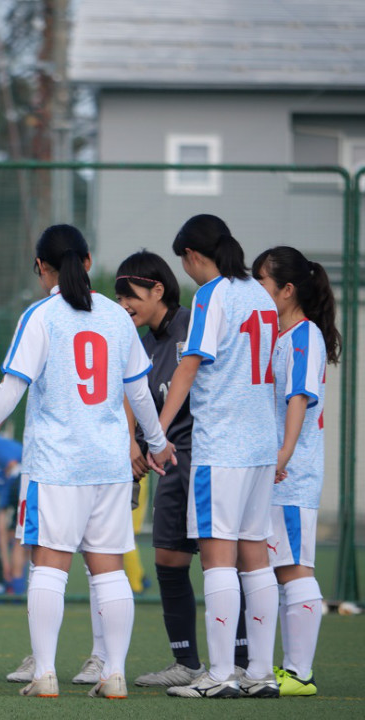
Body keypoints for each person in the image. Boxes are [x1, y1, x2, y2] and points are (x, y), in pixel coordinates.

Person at [0, 224, 175, 701]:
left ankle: (45, 674)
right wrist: (156, 442)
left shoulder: (41, 316)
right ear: (88, 261)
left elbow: (12, 389)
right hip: (108, 464)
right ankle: (114, 675)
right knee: (109, 570)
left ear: (40, 267)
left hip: (55, 464)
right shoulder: (116, 317)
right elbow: (138, 391)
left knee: (49, 566)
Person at [160, 214, 280, 699]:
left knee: (216, 558)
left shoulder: (211, 294)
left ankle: (220, 674)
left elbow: (189, 366)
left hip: (222, 446)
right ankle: (261, 674)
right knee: (255, 559)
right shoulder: (260, 294)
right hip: (260, 445)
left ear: (192, 255)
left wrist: (157, 429)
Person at [114, 250, 247, 687]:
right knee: (169, 558)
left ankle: (240, 661)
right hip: (169, 460)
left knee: (221, 560)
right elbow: (131, 398)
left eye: (130, 295)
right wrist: (138, 444)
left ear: (157, 289)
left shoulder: (194, 323)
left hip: (209, 454)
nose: (123, 305)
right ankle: (186, 663)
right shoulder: (139, 342)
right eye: (117, 297)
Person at [253, 246, 341, 697]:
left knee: (293, 568)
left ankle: (299, 674)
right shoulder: (283, 336)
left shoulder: (305, 336)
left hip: (291, 474)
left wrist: (283, 455)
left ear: (287, 290)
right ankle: (279, 668)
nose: (256, 291)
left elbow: (299, 400)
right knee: (277, 566)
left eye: (262, 283)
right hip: (276, 470)